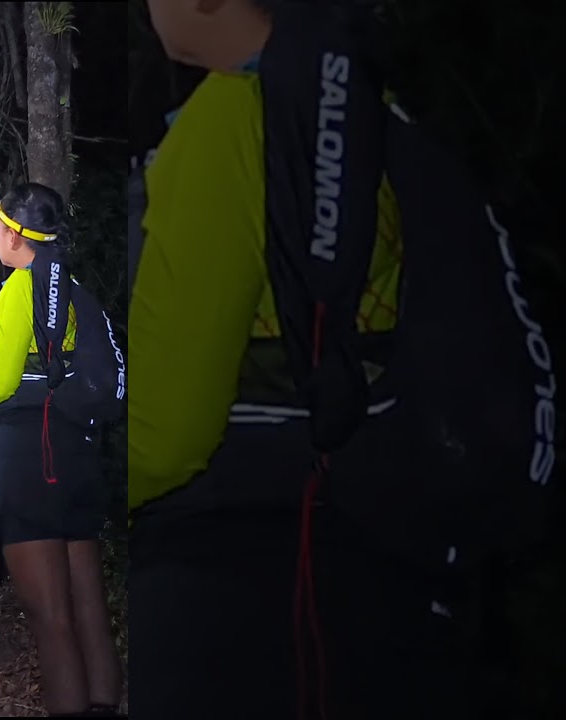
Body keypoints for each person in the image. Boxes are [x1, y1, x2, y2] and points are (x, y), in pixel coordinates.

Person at [129, 2, 553, 719]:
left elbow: (165, 434)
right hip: (379, 567)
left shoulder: (234, 116)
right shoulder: (364, 110)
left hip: (236, 589)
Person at [0, 184, 123, 717]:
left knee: (50, 616)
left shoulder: (21, 287)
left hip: (29, 453)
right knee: (87, 607)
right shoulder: (70, 285)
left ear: (15, 236)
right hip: (75, 446)